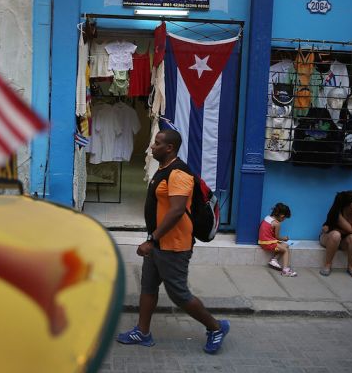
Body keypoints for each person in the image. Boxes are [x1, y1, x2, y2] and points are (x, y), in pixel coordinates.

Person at [116, 129, 230, 354]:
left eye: (157, 143)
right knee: (148, 287)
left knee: (179, 294)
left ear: (170, 148)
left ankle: (216, 328)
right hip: (158, 242)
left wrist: (153, 239)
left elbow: (177, 210)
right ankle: (143, 331)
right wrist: (153, 239)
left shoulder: (179, 173)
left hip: (174, 245)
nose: (152, 147)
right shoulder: (163, 169)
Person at [319, 190, 352, 280]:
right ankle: (328, 264)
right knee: (336, 235)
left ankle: (351, 267)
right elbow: (351, 230)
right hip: (328, 238)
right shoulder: (338, 213)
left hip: (343, 241)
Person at [258, 203, 297, 277]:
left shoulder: (268, 217)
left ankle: (274, 260)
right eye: (284, 218)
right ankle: (285, 271)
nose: (284, 220)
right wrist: (284, 238)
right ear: (282, 216)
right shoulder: (277, 223)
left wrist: (284, 241)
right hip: (268, 243)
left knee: (286, 245)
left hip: (263, 241)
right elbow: (277, 237)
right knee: (285, 250)